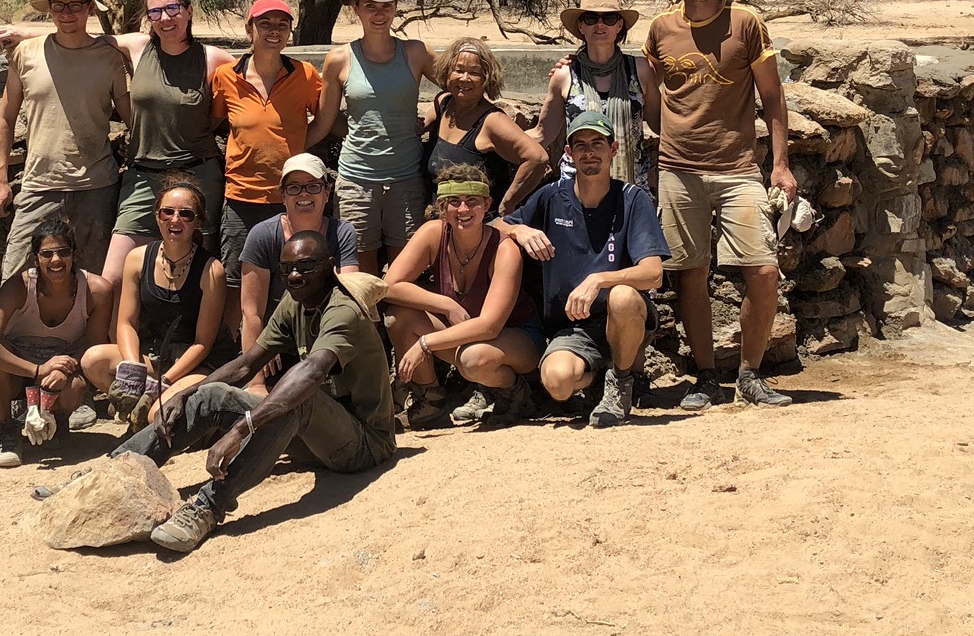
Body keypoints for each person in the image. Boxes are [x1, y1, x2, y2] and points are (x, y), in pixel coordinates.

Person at [102, 233, 395, 555]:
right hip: (311, 439)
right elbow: (246, 365)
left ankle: (209, 506)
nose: (295, 275)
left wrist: (244, 427)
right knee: (211, 394)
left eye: (306, 266)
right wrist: (186, 393)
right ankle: (112, 473)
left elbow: (311, 371)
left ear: (330, 267)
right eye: (287, 269)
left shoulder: (343, 311)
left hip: (363, 444)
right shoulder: (296, 302)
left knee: (294, 398)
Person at [0, 0, 232, 288]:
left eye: (172, 8)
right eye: (156, 11)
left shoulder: (214, 58)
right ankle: (111, 336)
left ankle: (197, 335)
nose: (165, 17)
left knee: (199, 266)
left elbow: (251, 83)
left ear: (188, 11)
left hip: (197, 172)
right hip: (144, 174)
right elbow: (79, 35)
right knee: (112, 277)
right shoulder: (138, 46)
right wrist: (27, 33)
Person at [643, 0, 796, 410]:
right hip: (679, 169)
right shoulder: (660, 30)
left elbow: (772, 98)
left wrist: (781, 164)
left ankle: (751, 374)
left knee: (765, 271)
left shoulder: (746, 25)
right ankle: (706, 376)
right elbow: (651, 100)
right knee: (691, 274)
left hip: (738, 169)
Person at [498, 113, 668, 429]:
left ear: (613, 149)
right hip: (571, 327)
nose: (589, 152)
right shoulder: (551, 196)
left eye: (597, 144)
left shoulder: (632, 199)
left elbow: (653, 273)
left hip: (622, 319)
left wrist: (599, 278)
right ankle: (597, 383)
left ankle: (621, 380)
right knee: (557, 382)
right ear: (568, 153)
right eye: (581, 145)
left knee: (622, 296)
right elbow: (496, 225)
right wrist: (519, 231)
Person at [0, 0, 131, 282]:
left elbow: (131, 116)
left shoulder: (108, 57)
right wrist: (1, 180)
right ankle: (9, 334)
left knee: (94, 280)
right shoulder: (25, 54)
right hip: (39, 184)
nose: (67, 13)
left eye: (75, 4)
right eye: (59, 5)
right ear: (50, 9)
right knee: (15, 276)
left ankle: (92, 335)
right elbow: (5, 117)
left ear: (89, 7)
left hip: (95, 187)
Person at [383, 163, 541, 428]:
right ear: (442, 207)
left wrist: (426, 344)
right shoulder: (434, 233)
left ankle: (513, 393)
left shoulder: (504, 249)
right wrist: (444, 304)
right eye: (453, 202)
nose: (463, 210)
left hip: (516, 338)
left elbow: (490, 326)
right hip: (466, 334)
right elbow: (391, 284)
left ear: (487, 203)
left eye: (472, 201)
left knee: (474, 358)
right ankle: (430, 401)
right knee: (398, 318)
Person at [311, 0, 437, 271]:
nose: (379, 14)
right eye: (370, 5)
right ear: (356, 8)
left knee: (405, 274)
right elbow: (324, 123)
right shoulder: (340, 59)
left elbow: (458, 88)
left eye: (387, 6)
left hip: (406, 180)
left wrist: (428, 119)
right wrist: (283, 153)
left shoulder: (415, 53)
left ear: (396, 8)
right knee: (357, 275)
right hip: (356, 182)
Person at [82, 175, 229, 423]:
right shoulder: (137, 259)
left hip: (198, 364)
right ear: (157, 216)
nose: (175, 220)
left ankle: (151, 411)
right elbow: (126, 322)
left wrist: (165, 382)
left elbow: (202, 343)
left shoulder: (212, 271)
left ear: (198, 222)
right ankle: (135, 407)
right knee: (92, 360)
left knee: (155, 414)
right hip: (160, 357)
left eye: (186, 214)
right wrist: (132, 369)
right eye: (167, 212)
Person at [0, 215, 117, 462]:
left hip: (63, 365)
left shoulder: (97, 290)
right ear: (36, 257)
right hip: (19, 367)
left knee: (75, 388)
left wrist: (65, 368)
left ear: (74, 254)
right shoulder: (18, 287)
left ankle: (57, 419)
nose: (56, 260)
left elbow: (94, 345)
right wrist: (37, 370)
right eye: (47, 254)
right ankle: (5, 429)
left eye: (63, 252)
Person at [209, 0, 325, 299]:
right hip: (241, 196)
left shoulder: (306, 75)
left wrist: (298, 146)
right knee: (237, 279)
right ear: (250, 29)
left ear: (289, 32)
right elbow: (216, 122)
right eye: (265, 23)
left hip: (293, 196)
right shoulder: (226, 76)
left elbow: (326, 120)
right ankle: (239, 344)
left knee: (297, 275)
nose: (274, 30)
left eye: (282, 25)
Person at [237, 154, 359, 374]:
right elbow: (251, 312)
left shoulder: (342, 233)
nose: (303, 194)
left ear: (327, 192)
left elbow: (350, 294)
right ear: (283, 196)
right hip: (273, 342)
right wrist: (257, 378)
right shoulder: (262, 235)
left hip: (324, 337)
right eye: (294, 187)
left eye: (313, 186)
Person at [538, 0, 658, 189]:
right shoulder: (565, 75)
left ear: (619, 25)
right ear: (581, 26)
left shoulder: (640, 70)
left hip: (630, 187)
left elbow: (659, 123)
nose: (600, 25)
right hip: (577, 186)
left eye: (609, 18)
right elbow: (543, 134)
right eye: (591, 18)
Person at [422, 38, 549, 214]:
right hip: (443, 220)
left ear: (487, 78)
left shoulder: (492, 121)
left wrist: (509, 203)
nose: (465, 79)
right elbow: (420, 127)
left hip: (479, 225)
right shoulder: (443, 103)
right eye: (458, 70)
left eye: (474, 73)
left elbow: (538, 158)